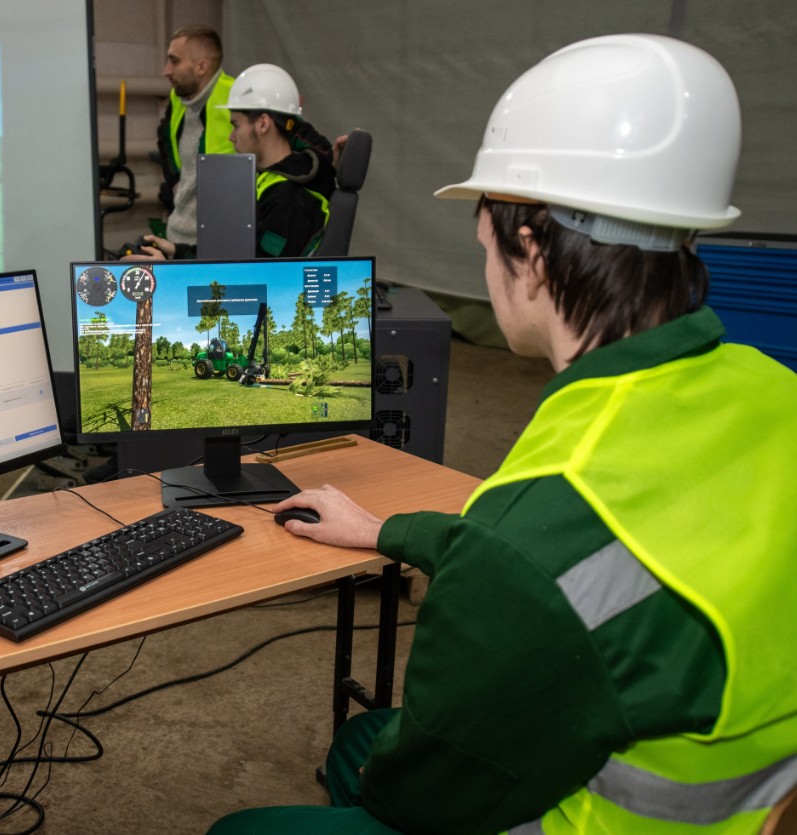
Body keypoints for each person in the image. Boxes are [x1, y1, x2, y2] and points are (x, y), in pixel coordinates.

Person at [208, 34, 797, 834]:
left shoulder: (545, 511)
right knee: (356, 741)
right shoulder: (770, 389)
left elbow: (420, 791)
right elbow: (582, 555)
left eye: (482, 241)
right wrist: (386, 530)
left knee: (252, 823)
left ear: (528, 249)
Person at [131, 63, 335, 261]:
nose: (231, 136)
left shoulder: (288, 197)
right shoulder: (269, 181)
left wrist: (170, 269)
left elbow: (260, 274)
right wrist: (176, 252)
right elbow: (237, 254)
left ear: (263, 124)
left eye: (236, 125)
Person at [156, 24, 235, 248]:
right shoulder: (179, 98)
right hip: (177, 237)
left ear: (202, 66)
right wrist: (175, 182)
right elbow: (165, 140)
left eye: (174, 61)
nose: (166, 71)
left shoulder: (239, 96)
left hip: (217, 242)